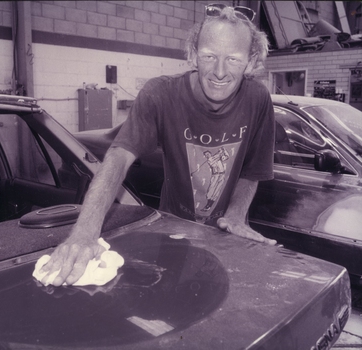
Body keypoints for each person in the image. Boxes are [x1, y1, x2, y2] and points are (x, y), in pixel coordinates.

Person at [39, 4, 277, 287]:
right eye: (209, 57)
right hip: (174, 232)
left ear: (250, 62)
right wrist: (84, 233)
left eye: (234, 60)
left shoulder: (258, 99)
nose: (220, 72)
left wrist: (236, 216)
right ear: (193, 56)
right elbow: (118, 157)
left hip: (228, 239)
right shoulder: (160, 94)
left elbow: (252, 170)